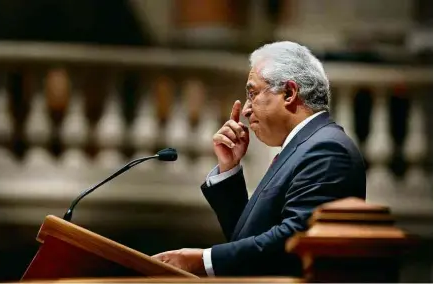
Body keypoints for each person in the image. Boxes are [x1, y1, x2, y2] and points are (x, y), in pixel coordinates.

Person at [152, 41, 366, 276]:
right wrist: (229, 168)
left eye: (252, 94)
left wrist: (202, 260)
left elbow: (294, 240)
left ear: (289, 93)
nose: (245, 110)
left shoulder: (326, 149)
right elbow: (250, 238)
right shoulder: (305, 146)